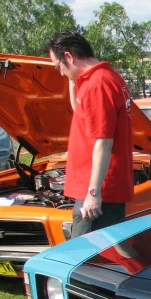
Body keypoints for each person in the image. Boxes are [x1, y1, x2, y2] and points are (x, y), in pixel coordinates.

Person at [47, 30, 134, 237]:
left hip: (99, 191)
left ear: (69, 56)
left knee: (84, 260)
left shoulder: (98, 84)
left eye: (58, 66)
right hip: (96, 188)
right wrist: (72, 80)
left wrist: (93, 193)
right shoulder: (99, 78)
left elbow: (103, 141)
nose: (60, 72)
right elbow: (80, 112)